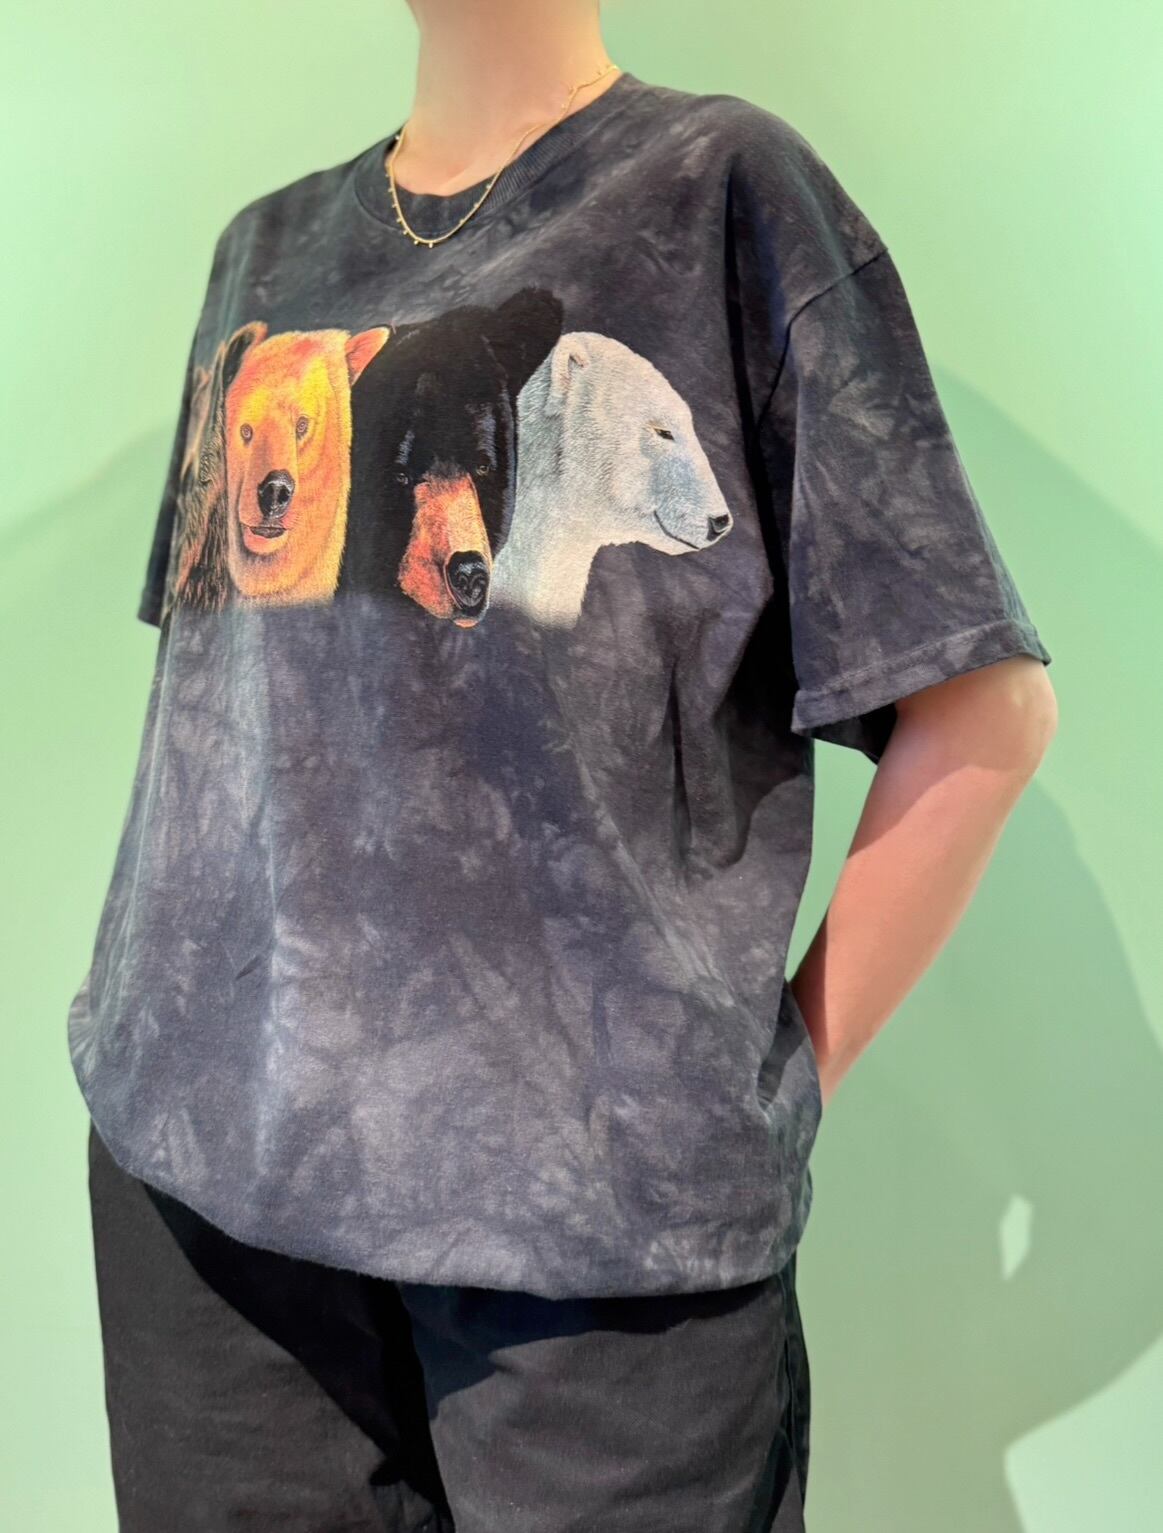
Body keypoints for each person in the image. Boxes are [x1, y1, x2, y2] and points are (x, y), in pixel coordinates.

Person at [71, 0, 1058, 1528]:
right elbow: (222, 716)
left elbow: (983, 711)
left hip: (593, 1243)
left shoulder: (722, 191)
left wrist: (774, 1083)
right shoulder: (261, 256)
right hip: (204, 1195)